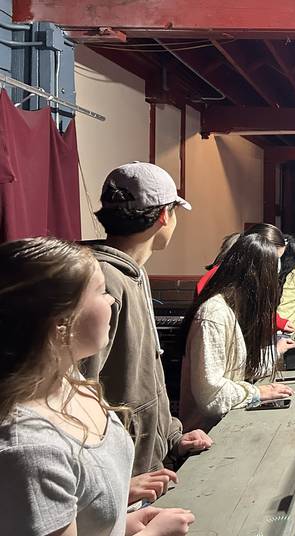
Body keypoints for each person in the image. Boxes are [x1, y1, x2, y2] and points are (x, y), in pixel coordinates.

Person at [0, 236, 195, 536]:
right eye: (101, 292)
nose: (112, 301)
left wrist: (114, 510)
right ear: (60, 322)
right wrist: (153, 533)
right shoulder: (30, 448)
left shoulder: (73, 384)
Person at [82, 162, 213, 500]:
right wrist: (112, 486)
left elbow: (146, 376)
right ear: (163, 217)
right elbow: (75, 392)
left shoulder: (131, 275)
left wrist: (172, 436)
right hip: (117, 484)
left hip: (146, 469)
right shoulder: (101, 282)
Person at [179, 225, 295, 431]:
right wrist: (257, 393)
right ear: (257, 277)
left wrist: (275, 351)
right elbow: (211, 395)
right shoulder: (214, 315)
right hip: (205, 432)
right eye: (272, 277)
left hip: (225, 425)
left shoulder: (234, 308)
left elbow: (238, 371)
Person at [197, 231, 295, 332]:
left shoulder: (245, 277)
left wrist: (279, 322)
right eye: (274, 260)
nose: (276, 267)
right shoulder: (221, 279)